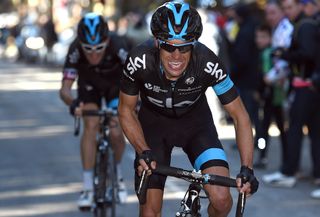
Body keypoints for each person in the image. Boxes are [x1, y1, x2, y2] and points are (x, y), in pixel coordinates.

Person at [117, 2, 259, 217]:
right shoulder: (139, 60)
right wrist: (142, 150)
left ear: (194, 44)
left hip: (197, 127)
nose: (176, 55)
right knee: (149, 213)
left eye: (184, 46)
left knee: (222, 200)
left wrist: (247, 168)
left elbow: (240, 116)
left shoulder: (208, 63)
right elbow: (126, 111)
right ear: (157, 42)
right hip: (153, 129)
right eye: (169, 46)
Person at [59, 12, 129, 209]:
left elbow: (137, 78)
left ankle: (118, 175)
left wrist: (136, 102)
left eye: (99, 48)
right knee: (91, 125)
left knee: (116, 130)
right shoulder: (74, 48)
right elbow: (65, 89)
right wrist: (72, 103)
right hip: (89, 88)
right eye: (88, 50)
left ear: (107, 41)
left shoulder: (118, 44)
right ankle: (88, 187)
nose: (94, 54)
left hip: (116, 87)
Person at [262, 0, 320, 188]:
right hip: (307, 85)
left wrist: (284, 54)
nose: (287, 12)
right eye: (285, 8)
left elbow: (308, 54)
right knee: (312, 132)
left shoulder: (305, 26)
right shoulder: (304, 25)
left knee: (295, 129)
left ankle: (289, 172)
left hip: (307, 86)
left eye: (290, 7)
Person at [254, 0, 293, 169]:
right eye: (267, 13)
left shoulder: (283, 34)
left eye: (273, 12)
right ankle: (263, 156)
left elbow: (276, 70)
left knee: (281, 129)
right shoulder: (264, 52)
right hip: (270, 95)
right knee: (264, 129)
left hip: (279, 94)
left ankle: (287, 160)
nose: (270, 16)